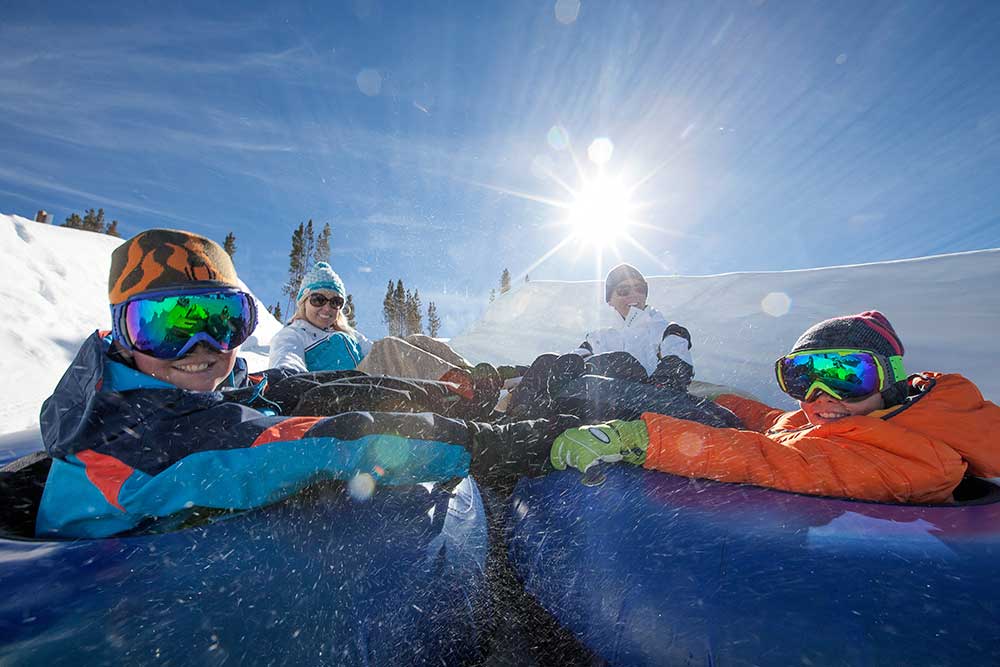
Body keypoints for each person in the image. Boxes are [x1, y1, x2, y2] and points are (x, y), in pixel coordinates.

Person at [34, 229, 566, 538]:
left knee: (393, 358)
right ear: (119, 332)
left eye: (223, 321)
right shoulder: (152, 434)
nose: (198, 348)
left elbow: (247, 383)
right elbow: (336, 435)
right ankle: (478, 402)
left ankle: (476, 387)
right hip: (319, 399)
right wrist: (506, 444)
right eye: (161, 325)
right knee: (362, 377)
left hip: (331, 387)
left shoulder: (144, 387)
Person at [550, 311, 1000, 504]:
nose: (823, 396)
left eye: (848, 376)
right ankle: (556, 389)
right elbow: (774, 423)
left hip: (712, 448)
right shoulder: (879, 415)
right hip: (723, 429)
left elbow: (775, 458)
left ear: (893, 380)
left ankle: (535, 416)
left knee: (621, 395)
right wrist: (723, 399)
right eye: (802, 378)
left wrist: (637, 438)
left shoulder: (914, 459)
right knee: (624, 388)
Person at [269, 261, 500, 412]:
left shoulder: (348, 335)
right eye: (318, 299)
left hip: (366, 383)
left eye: (336, 301)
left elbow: (380, 355)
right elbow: (287, 364)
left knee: (416, 340)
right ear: (303, 301)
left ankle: (475, 376)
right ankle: (465, 391)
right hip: (335, 392)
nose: (327, 308)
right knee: (390, 346)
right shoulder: (294, 333)